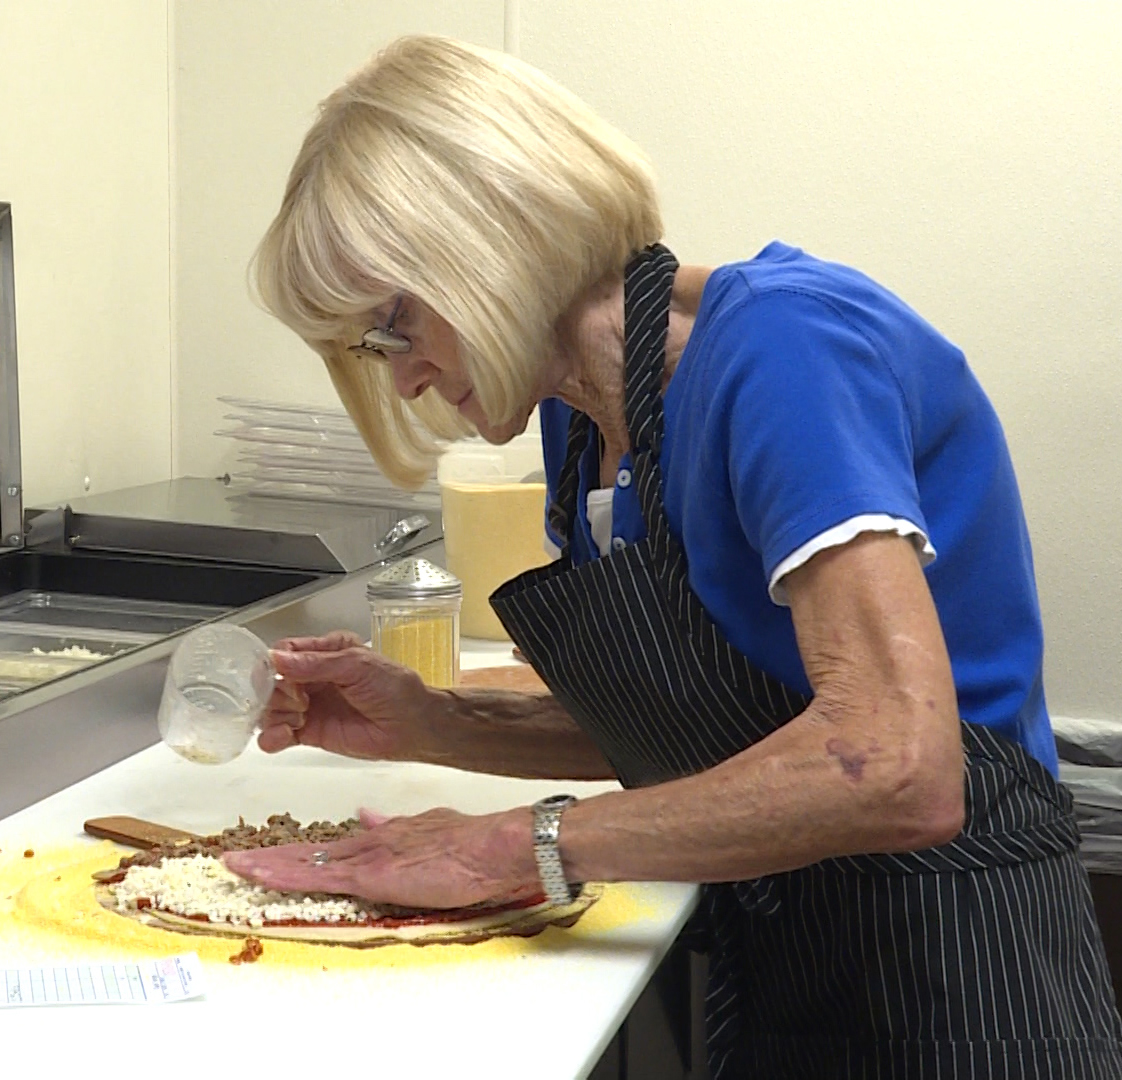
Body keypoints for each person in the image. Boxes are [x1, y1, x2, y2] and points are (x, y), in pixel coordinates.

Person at [221, 34, 1122, 1077]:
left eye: (395, 322)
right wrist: (435, 720)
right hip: (786, 934)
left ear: (489, 235)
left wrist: (512, 846)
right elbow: (721, 724)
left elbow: (894, 767)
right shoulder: (582, 426)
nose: (406, 379)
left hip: (956, 958)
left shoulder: (783, 346)